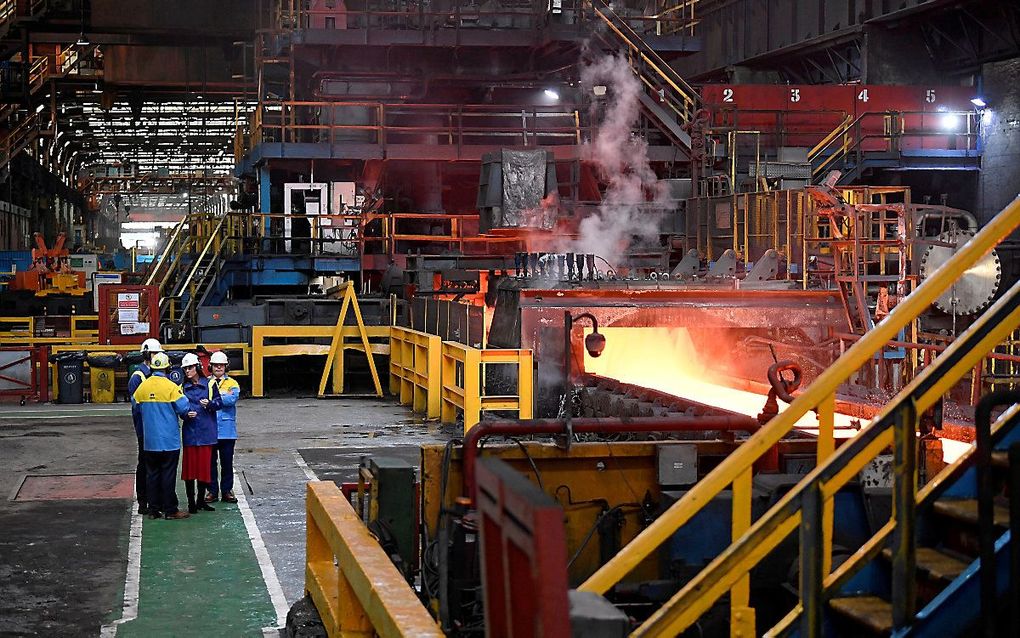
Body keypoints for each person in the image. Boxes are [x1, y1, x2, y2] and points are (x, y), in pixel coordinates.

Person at [133, 352, 191, 520]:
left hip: (150, 441)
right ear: (167, 368)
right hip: (169, 440)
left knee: (152, 475)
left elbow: (136, 407)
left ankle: (153, 509)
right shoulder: (171, 387)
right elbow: (184, 409)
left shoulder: (142, 388)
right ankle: (170, 510)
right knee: (168, 475)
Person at [127, 338, 163, 515]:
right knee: (145, 464)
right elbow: (137, 407)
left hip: (158, 428)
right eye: (155, 353)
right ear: (147, 355)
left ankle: (156, 498)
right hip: (145, 428)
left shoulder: (158, 374)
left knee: (156, 464)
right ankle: (143, 500)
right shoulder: (138, 377)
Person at [180, 353, 218, 514]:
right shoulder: (182, 388)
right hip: (190, 433)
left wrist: (209, 404)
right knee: (189, 470)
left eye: (190, 367)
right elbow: (178, 408)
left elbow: (219, 403)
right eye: (185, 368)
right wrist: (185, 414)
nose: (187, 371)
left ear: (197, 368)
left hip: (205, 432)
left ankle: (201, 500)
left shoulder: (210, 384)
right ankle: (191, 503)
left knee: (203, 469)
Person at [207, 351, 241, 503]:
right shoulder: (206, 383)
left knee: (227, 463)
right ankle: (212, 491)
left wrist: (213, 400)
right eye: (216, 365)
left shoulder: (233, 384)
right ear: (211, 366)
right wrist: (221, 398)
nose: (219, 367)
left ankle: (227, 491)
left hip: (227, 432)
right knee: (210, 463)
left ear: (226, 366)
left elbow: (232, 400)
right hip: (210, 430)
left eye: (221, 365)